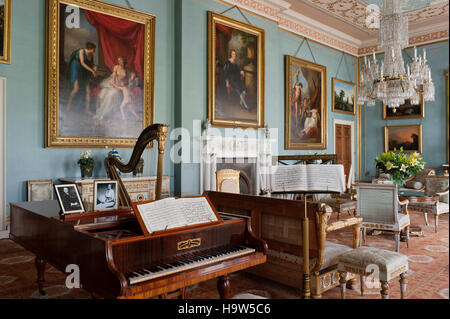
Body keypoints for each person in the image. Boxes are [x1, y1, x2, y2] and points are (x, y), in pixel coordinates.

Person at [94, 56, 130, 121]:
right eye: (118, 61)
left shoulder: (126, 70)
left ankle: (104, 115)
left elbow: (126, 79)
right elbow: (113, 75)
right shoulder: (116, 67)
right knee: (103, 94)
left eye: (121, 60)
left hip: (119, 85)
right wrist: (113, 82)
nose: (120, 62)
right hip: (112, 83)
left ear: (124, 61)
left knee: (112, 95)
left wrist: (123, 83)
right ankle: (101, 114)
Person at [66, 42, 97, 114]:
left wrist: (94, 67)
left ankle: (87, 109)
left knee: (88, 91)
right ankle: (68, 105)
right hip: (76, 69)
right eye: (94, 49)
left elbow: (91, 64)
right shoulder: (81, 51)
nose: (95, 51)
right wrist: (92, 70)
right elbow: (82, 63)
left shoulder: (91, 55)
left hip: (83, 71)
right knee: (76, 89)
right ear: (91, 48)